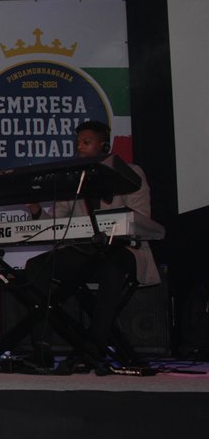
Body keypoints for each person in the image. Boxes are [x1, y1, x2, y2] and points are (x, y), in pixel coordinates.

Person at [24, 120, 159, 368]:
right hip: (84, 252)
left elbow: (141, 218)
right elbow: (55, 225)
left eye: (86, 142)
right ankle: (42, 347)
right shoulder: (73, 179)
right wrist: (35, 209)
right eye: (78, 143)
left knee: (111, 265)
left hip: (123, 250)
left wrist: (110, 227)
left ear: (104, 146)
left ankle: (94, 347)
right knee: (35, 267)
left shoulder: (130, 172)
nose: (80, 147)